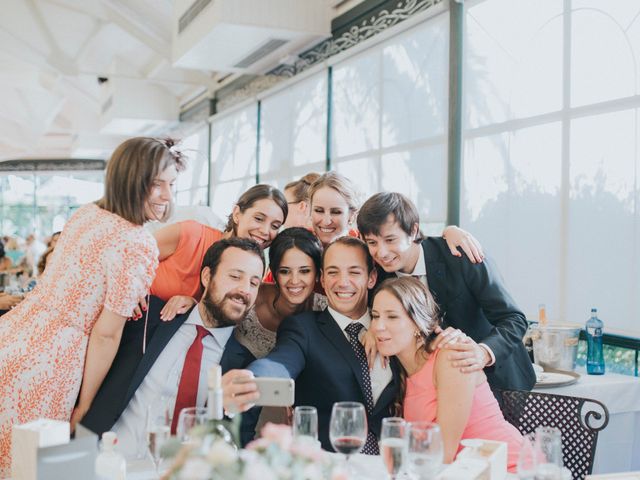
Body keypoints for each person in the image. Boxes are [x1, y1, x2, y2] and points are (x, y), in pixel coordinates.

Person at [0, 137, 184, 475]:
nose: (168, 195)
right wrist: (86, 405)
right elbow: (105, 335)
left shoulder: (87, 213)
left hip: (15, 333)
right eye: (157, 184)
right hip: (51, 361)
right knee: (28, 467)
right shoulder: (136, 242)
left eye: (171, 184)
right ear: (131, 179)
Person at [81, 237, 264, 451]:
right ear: (207, 276)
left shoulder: (246, 369)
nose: (245, 290)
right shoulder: (149, 316)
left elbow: (238, 445)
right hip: (104, 460)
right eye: (235, 276)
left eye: (254, 283)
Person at [225, 237, 397, 454]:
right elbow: (280, 362)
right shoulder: (303, 328)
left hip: (392, 463)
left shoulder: (391, 325)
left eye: (354, 272)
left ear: (371, 278)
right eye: (333, 272)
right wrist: (252, 379)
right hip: (327, 465)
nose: (343, 282)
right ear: (323, 280)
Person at [357, 192, 535, 394]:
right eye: (372, 243)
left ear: (414, 230)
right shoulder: (378, 276)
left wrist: (483, 352)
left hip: (498, 383)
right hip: (433, 390)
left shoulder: (460, 254)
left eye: (390, 239)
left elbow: (514, 318)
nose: (381, 253)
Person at [371, 277, 523, 471]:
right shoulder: (401, 370)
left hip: (505, 469)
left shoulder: (450, 356)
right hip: (459, 472)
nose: (378, 326)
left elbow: (443, 454)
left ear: (417, 324)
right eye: (375, 316)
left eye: (391, 317)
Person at [149, 184, 288, 321]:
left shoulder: (252, 271)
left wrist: (194, 304)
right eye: (258, 218)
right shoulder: (191, 234)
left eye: (275, 226)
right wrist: (130, 293)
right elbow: (130, 255)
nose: (265, 231)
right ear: (237, 214)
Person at [236, 227, 327, 359]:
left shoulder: (327, 309)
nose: (294, 281)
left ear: (318, 274)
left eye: (305, 271)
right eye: (285, 271)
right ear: (274, 274)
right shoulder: (251, 296)